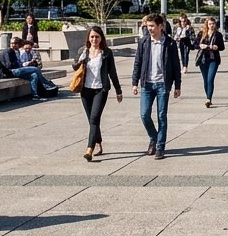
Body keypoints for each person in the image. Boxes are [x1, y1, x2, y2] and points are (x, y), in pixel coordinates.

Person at [132, 13, 181, 160]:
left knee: (161, 116)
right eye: (148, 26)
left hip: (162, 84)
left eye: (152, 26)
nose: (150, 29)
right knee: (144, 114)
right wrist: (135, 82)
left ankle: (160, 147)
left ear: (161, 26)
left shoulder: (170, 43)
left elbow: (176, 66)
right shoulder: (144, 42)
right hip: (147, 84)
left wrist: (177, 85)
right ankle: (153, 137)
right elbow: (138, 63)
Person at [73, 25, 123, 161]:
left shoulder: (106, 52)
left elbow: (112, 72)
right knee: (92, 120)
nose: (94, 39)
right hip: (85, 89)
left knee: (95, 118)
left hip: (101, 89)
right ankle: (98, 141)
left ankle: (90, 149)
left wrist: (118, 90)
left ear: (101, 38)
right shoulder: (83, 51)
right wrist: (80, 60)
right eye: (92, 37)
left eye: (97, 37)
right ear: (88, 38)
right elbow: (74, 67)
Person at [195, 17, 225, 107]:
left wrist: (216, 47)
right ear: (207, 25)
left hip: (213, 59)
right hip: (203, 59)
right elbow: (195, 45)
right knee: (205, 80)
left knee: (210, 79)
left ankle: (208, 99)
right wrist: (201, 45)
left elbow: (222, 47)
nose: (212, 26)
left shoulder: (218, 35)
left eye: (213, 24)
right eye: (210, 24)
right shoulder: (202, 34)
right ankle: (208, 97)